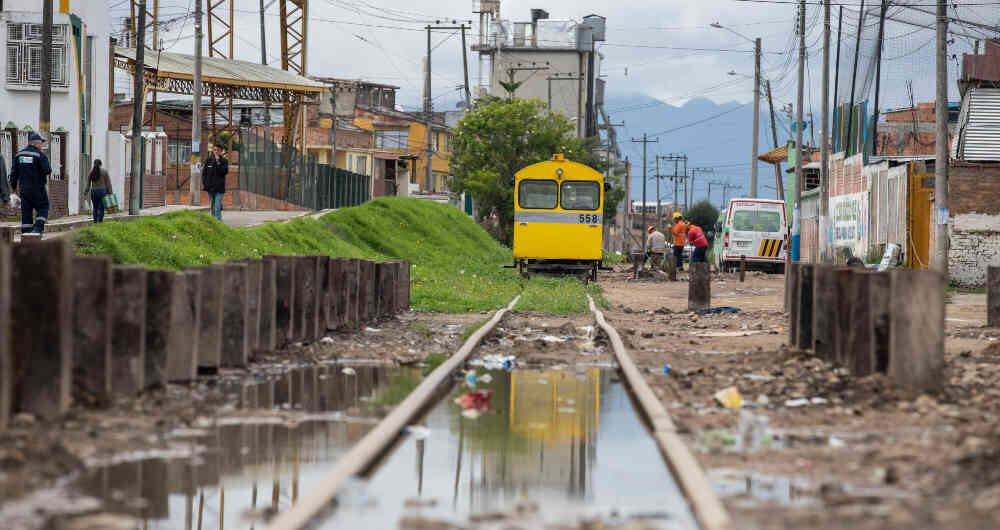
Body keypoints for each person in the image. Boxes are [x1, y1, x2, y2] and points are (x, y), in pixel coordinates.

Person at [9, 133, 52, 236]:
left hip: (24, 190)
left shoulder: (19, 155)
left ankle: (26, 234)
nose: (42, 145)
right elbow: (48, 170)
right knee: (43, 208)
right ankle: (37, 229)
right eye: (41, 143)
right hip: (38, 189)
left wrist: (14, 188)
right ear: (36, 143)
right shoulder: (40, 155)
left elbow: (13, 174)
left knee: (26, 212)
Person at [203, 144, 228, 221]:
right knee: (212, 206)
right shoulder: (208, 160)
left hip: (219, 188)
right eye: (215, 150)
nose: (216, 152)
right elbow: (204, 173)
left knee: (217, 205)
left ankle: (219, 221)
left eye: (218, 150)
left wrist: (218, 162)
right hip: (210, 187)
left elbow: (224, 172)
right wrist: (205, 184)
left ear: (221, 151)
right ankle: (213, 221)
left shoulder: (224, 161)